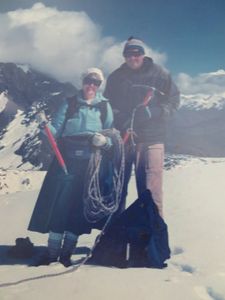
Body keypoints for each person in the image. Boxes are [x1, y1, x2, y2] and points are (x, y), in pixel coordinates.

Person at [28, 68, 114, 267]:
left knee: (79, 205)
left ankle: (67, 253)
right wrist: (44, 126)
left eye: (96, 82)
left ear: (100, 85)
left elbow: (111, 134)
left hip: (91, 160)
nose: (91, 85)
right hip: (66, 159)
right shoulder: (69, 103)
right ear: (82, 81)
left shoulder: (104, 107)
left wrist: (105, 141)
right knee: (60, 204)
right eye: (88, 81)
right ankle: (52, 253)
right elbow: (56, 131)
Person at [104, 37, 180, 218]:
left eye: (137, 53)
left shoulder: (160, 74)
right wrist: (121, 119)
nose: (133, 57)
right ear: (124, 56)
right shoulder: (116, 77)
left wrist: (155, 112)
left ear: (143, 54)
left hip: (152, 139)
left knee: (150, 190)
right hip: (124, 139)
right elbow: (108, 105)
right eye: (129, 54)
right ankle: (116, 236)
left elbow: (173, 101)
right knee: (117, 188)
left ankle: (153, 239)